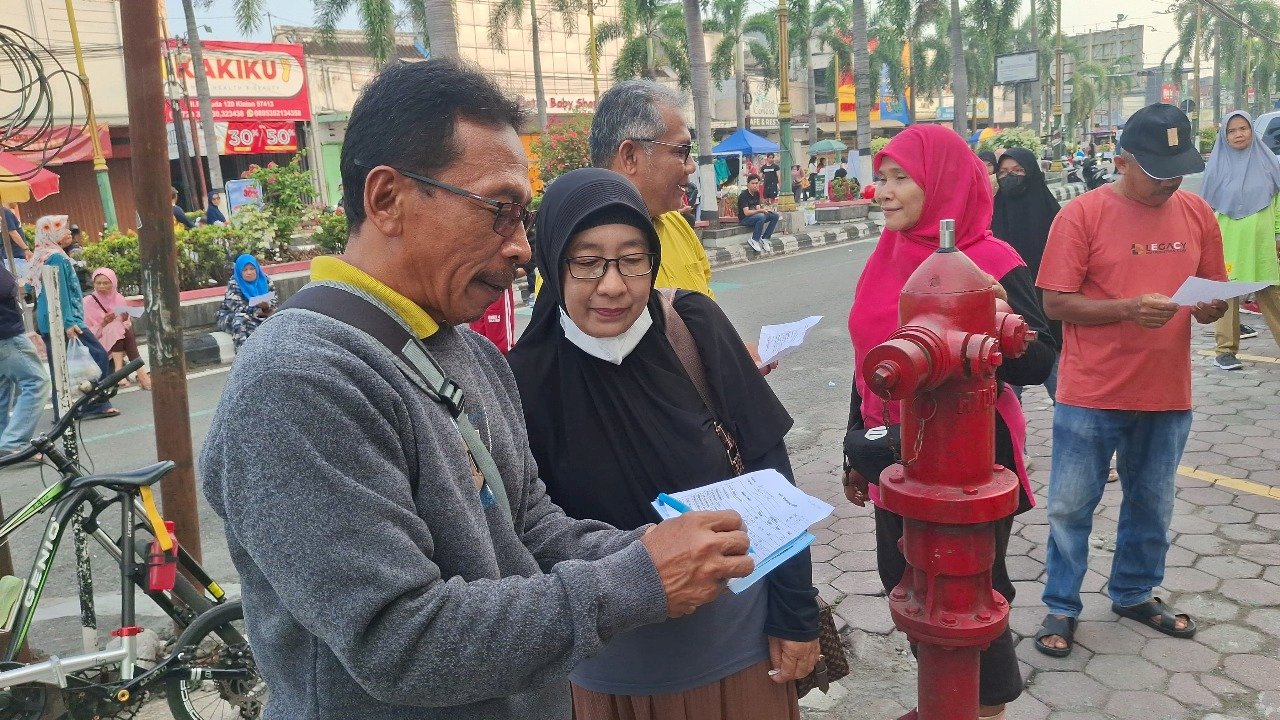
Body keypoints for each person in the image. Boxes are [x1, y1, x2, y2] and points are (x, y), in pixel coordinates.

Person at [199, 58, 754, 720]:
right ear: (387, 200)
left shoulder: (465, 350)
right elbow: (400, 640)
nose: (522, 248)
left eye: (525, 217)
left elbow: (532, 528)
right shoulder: (300, 381)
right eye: (499, 211)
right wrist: (636, 582)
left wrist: (655, 550)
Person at [509, 168, 818, 720]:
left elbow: (773, 474)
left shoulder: (693, 328)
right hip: (604, 674)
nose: (613, 285)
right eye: (586, 261)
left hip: (736, 654)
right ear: (553, 265)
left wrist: (796, 619)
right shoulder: (521, 379)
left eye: (633, 259)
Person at [843, 125, 1056, 720]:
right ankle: (943, 697)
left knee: (969, 590)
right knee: (907, 579)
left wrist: (1002, 323)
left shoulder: (992, 261)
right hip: (894, 452)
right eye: (881, 177)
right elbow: (869, 361)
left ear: (941, 184)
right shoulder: (886, 257)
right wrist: (853, 450)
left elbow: (1042, 358)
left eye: (899, 178)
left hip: (972, 456)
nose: (881, 191)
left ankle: (982, 707)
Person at [1033, 103, 1228, 658]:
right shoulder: (1082, 215)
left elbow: (1213, 288)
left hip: (1167, 389)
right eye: (1156, 170)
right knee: (1073, 506)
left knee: (1152, 500)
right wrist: (1124, 310)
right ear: (1121, 161)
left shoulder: (1196, 213)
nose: (1169, 180)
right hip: (1092, 391)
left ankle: (1134, 592)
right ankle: (1061, 605)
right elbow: (1055, 302)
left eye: (1178, 169)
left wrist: (1212, 309)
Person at [590, 80, 713, 298]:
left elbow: (708, 310)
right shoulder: (574, 244)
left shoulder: (677, 225)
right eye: (680, 151)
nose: (691, 166)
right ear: (629, 157)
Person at [1200, 110, 1280, 370]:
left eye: (1243, 128)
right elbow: (1206, 211)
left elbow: (1278, 202)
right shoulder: (1216, 169)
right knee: (1227, 295)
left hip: (1262, 244)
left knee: (1272, 294)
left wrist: (1278, 233)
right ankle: (1225, 351)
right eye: (1232, 130)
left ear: (1251, 130)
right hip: (1228, 242)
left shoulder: (1269, 163)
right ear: (1224, 136)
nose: (1238, 134)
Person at [24, 215, 118, 420]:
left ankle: (63, 412)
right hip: (66, 319)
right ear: (52, 234)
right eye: (62, 229)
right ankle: (93, 403)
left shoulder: (40, 256)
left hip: (47, 321)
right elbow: (62, 292)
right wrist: (68, 322)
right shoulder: (57, 257)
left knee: (60, 367)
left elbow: (30, 288)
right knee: (98, 355)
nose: (68, 233)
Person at [991, 146, 1063, 400]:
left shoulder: (1055, 216)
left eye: (1018, 170)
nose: (1010, 177)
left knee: (1065, 397)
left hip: (1050, 319)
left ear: (1032, 173)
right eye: (1004, 172)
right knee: (1007, 401)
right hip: (1004, 320)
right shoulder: (990, 213)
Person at [0, 264, 49, 459]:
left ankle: (6, 441)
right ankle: (13, 442)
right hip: (7, 334)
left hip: (6, 333)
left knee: (2, 390)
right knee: (37, 382)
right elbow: (5, 289)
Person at [83, 268, 150, 390]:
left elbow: (126, 324)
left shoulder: (118, 298)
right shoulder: (87, 302)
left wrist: (125, 318)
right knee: (116, 328)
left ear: (113, 283)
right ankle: (139, 374)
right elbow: (86, 332)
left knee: (119, 327)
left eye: (106, 283)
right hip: (97, 340)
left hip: (119, 338)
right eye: (98, 283)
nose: (102, 286)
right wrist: (103, 323)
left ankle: (121, 372)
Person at [216, 254, 278, 350]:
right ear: (239, 271)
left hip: (261, 313)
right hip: (232, 316)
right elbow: (237, 307)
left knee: (277, 318)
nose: (249, 272)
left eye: (252, 269)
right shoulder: (234, 284)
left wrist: (267, 307)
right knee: (241, 319)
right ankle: (242, 355)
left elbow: (274, 299)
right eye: (245, 270)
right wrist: (259, 311)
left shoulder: (266, 280)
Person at [738, 174, 780, 254]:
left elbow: (758, 208)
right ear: (748, 184)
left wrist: (765, 210)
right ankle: (754, 240)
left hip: (756, 216)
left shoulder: (756, 193)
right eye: (752, 183)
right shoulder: (744, 195)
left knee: (775, 215)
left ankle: (765, 238)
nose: (755, 185)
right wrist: (760, 211)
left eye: (756, 183)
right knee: (761, 216)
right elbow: (746, 213)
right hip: (745, 219)